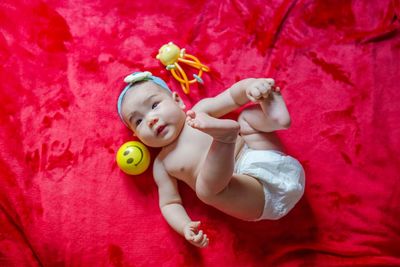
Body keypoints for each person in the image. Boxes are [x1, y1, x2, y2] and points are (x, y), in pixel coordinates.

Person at [117, 71, 305, 248]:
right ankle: (224, 139)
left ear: (178, 100)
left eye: (154, 105)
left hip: (267, 157)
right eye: (138, 121)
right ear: (137, 136)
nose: (151, 119)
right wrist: (184, 226)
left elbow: (233, 97)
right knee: (206, 191)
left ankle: (275, 119)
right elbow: (169, 203)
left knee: (246, 118)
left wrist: (252, 87)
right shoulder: (162, 164)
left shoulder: (200, 110)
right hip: (253, 196)